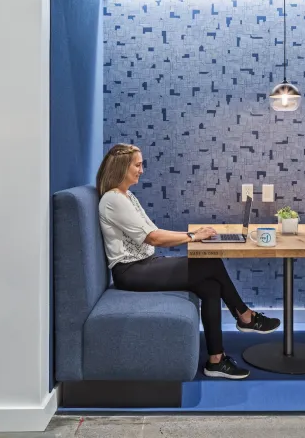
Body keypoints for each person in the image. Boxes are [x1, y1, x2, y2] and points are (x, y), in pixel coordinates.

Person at [96, 143, 280, 380]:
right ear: (122, 167)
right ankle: (245, 315)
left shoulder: (126, 196)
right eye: (138, 165)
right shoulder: (113, 200)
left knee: (210, 285)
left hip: (145, 264)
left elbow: (153, 231)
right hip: (131, 272)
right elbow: (154, 237)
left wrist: (193, 235)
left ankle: (216, 360)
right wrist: (192, 236)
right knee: (209, 263)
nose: (142, 170)